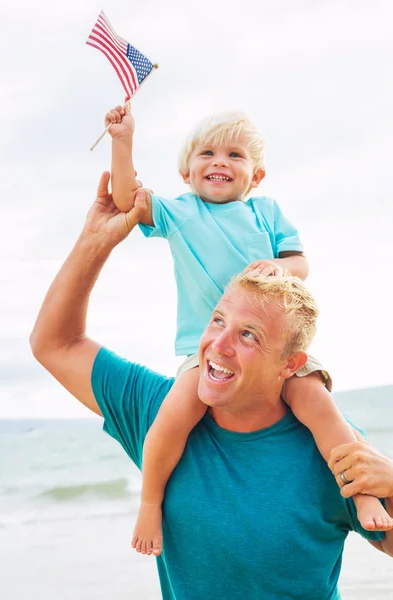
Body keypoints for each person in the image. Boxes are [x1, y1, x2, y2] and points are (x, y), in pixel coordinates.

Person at [30, 173, 393, 599]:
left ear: (290, 365)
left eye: (249, 336)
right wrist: (96, 239)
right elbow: (54, 343)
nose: (216, 346)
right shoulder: (158, 411)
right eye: (218, 320)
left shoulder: (334, 446)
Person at [104, 104, 393, 555]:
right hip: (209, 353)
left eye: (235, 155)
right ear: (186, 170)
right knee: (172, 417)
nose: (220, 161)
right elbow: (125, 199)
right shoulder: (179, 213)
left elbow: (300, 263)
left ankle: (362, 491)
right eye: (208, 153)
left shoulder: (265, 211)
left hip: (275, 349)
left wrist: (280, 266)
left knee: (321, 408)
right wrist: (123, 141)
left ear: (256, 176)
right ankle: (149, 501)